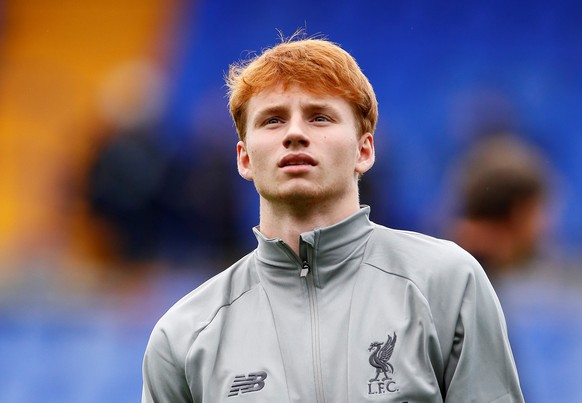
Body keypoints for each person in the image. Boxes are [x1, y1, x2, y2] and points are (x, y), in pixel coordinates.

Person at [142, 33, 524, 402]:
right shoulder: (184, 335)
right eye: (272, 120)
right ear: (244, 158)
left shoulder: (448, 283)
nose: (294, 133)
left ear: (365, 150)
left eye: (320, 117)